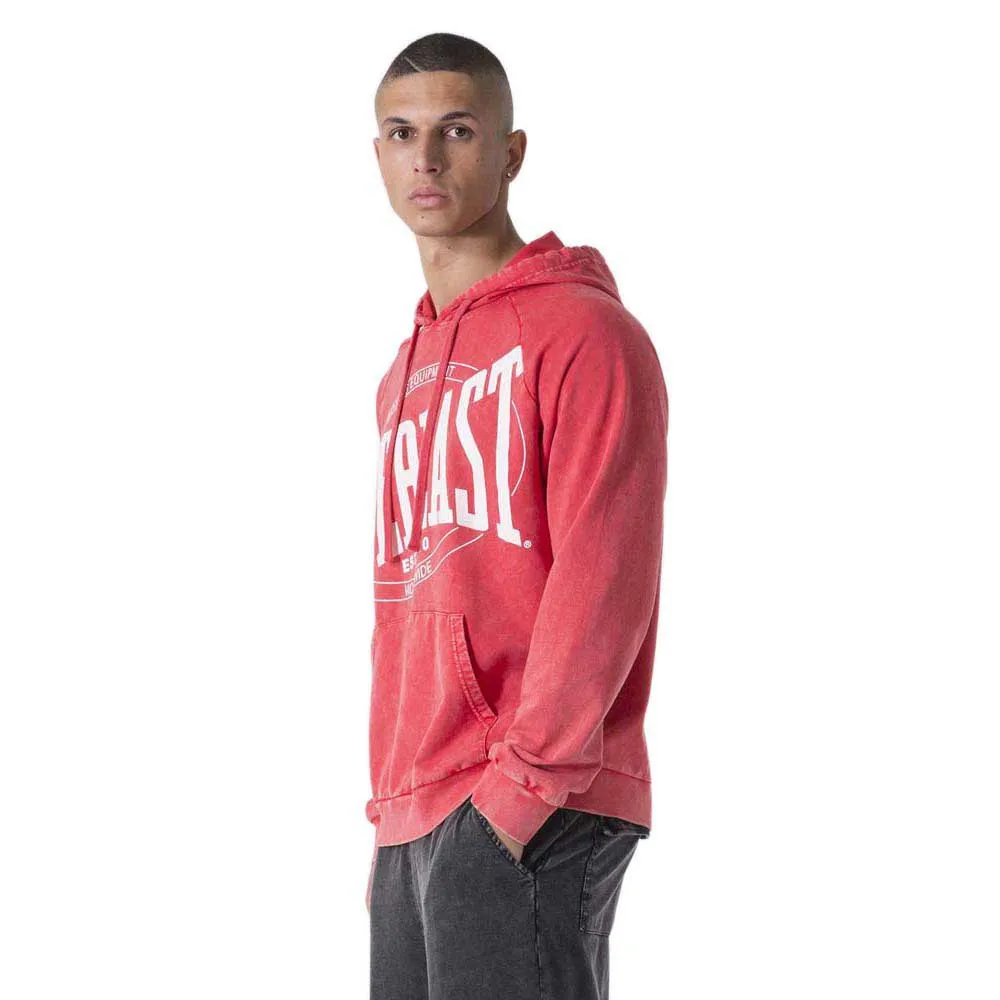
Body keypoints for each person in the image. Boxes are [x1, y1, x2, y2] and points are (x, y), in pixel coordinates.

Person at [366, 31, 669, 1000]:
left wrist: (514, 796)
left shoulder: (585, 334)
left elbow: (604, 579)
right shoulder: (402, 376)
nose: (426, 156)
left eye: (457, 130)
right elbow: (403, 603)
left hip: (530, 797)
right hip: (417, 811)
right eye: (401, 133)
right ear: (378, 153)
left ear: (510, 152)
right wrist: (394, 817)